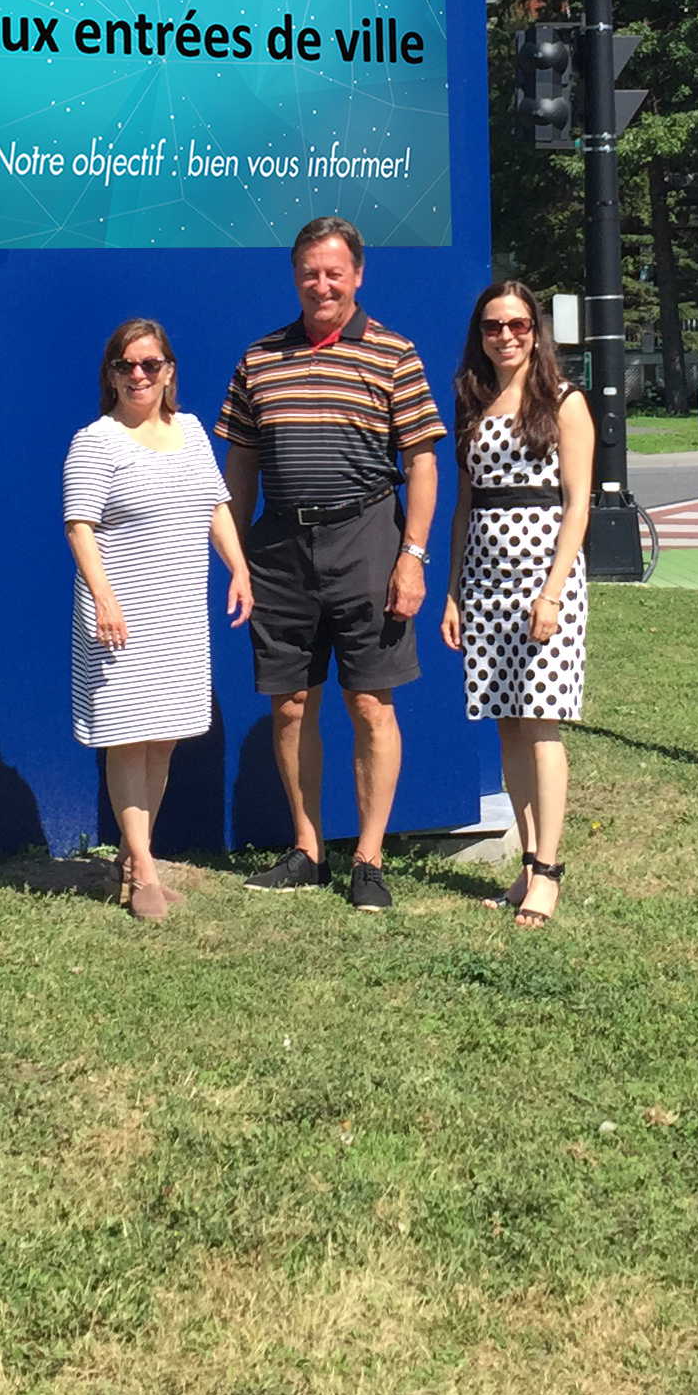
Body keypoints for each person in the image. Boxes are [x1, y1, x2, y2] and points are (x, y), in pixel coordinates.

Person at [216, 214, 446, 911]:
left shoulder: (394, 352)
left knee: (371, 705)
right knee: (289, 706)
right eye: (310, 272)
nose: (322, 283)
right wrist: (239, 555)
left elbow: (424, 463)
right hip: (280, 548)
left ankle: (369, 859)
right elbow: (242, 466)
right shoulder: (259, 359)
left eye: (334, 271)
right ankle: (307, 849)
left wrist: (412, 557)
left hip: (368, 539)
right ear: (295, 277)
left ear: (358, 276)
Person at [64, 316, 252, 923]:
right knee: (127, 734)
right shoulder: (95, 440)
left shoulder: (192, 431)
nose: (138, 375)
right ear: (110, 374)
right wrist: (105, 597)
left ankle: (133, 855)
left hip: (178, 611)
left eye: (150, 364)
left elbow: (215, 506)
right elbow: (79, 526)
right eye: (126, 365)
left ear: (169, 371)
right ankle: (143, 868)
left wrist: (239, 569)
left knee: (164, 735)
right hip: (118, 612)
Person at [442, 278, 593, 926]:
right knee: (507, 722)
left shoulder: (564, 401)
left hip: (544, 580)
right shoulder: (472, 401)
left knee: (542, 723)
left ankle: (551, 871)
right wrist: (452, 591)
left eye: (518, 326)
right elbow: (465, 503)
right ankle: (526, 865)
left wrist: (553, 591)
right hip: (484, 581)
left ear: (537, 332)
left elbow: (579, 503)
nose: (505, 337)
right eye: (493, 327)